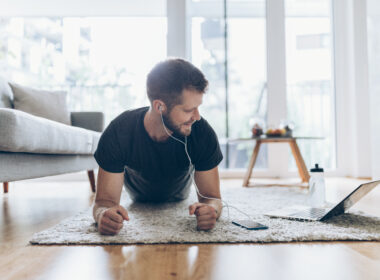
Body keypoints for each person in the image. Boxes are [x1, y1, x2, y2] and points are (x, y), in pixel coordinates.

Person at [93, 58, 224, 235]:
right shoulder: (119, 131)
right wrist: (103, 215)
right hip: (137, 197)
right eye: (188, 110)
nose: (197, 116)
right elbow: (103, 202)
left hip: (180, 195)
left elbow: (213, 198)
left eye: (198, 107)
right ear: (160, 106)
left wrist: (211, 211)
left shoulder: (202, 132)